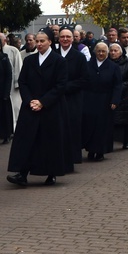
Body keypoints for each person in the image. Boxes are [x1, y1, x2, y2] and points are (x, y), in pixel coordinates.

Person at [6, 30, 71, 186]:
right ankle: (22, 173)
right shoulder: (30, 61)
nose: (39, 44)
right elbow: (23, 82)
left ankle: (52, 172)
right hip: (31, 106)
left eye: (43, 41)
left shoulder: (59, 61)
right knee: (26, 139)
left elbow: (61, 85)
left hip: (51, 107)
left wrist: (43, 102)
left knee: (50, 140)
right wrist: (30, 101)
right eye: (37, 41)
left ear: (50, 42)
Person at [82, 43, 122, 161]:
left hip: (106, 101)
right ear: (95, 52)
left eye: (103, 51)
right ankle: (90, 150)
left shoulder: (113, 67)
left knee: (103, 128)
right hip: (90, 100)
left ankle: (100, 151)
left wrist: (115, 100)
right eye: (99, 51)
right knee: (90, 126)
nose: (101, 53)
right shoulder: (88, 65)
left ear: (107, 53)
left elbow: (117, 85)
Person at [57, 27, 89, 164]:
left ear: (73, 39)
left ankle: (73, 157)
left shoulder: (79, 57)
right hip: (56, 98)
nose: (65, 39)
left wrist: (65, 87)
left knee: (73, 127)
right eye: (62, 37)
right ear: (58, 38)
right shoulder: (53, 54)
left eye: (68, 37)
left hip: (73, 98)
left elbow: (84, 79)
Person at [109, 44, 128, 149]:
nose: (113, 53)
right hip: (110, 95)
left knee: (126, 120)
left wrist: (118, 88)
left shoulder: (127, 64)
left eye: (115, 51)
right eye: (111, 50)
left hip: (125, 96)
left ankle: (126, 141)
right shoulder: (107, 63)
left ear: (120, 52)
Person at [0, 32, 22, 130]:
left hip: (13, 85)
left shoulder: (13, 50)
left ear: (5, 40)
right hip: (1, 85)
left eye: (0, 39)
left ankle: (16, 128)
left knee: (15, 107)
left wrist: (17, 83)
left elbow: (18, 66)